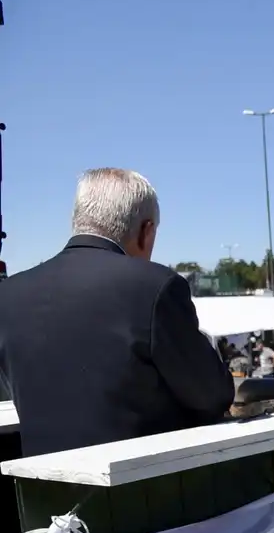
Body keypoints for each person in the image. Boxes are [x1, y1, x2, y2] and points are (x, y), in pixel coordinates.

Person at [0, 168, 234, 456]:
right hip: (143, 478)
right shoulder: (156, 286)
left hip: (39, 479)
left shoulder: (8, 295)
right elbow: (212, 395)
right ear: (146, 231)